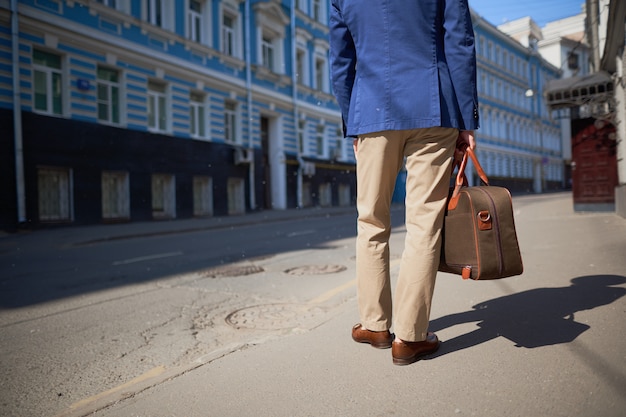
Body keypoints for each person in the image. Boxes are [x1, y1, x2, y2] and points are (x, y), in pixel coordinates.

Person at [329, 0, 479, 365]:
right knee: (424, 224)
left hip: (372, 110)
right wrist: (467, 119)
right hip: (434, 106)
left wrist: (354, 121)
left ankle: (375, 325)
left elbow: (340, 60)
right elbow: (459, 43)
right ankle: (410, 338)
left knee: (371, 221)